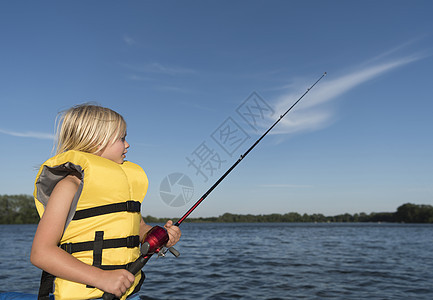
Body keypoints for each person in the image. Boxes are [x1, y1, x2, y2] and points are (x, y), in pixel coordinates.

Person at [31, 104, 181, 300]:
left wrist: (159, 235)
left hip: (128, 294)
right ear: (95, 141)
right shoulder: (68, 186)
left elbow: (139, 228)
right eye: (122, 138)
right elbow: (41, 253)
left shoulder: (120, 191)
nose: (127, 145)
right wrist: (101, 278)